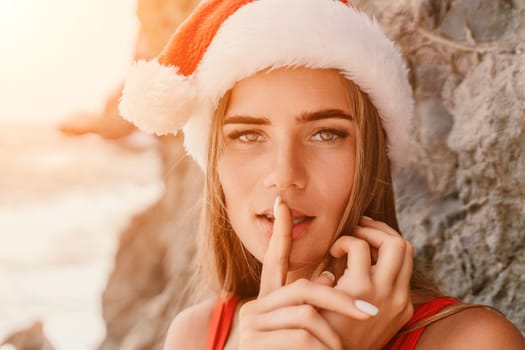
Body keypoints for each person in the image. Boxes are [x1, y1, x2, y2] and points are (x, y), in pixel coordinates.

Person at [118, 0, 525, 349]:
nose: (284, 175)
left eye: (325, 134)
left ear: (370, 157)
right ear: (215, 162)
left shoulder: (475, 340)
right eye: (248, 135)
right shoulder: (194, 335)